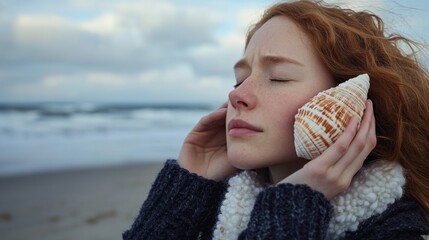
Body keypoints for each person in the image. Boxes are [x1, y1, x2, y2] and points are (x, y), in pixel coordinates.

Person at [123, 0, 429, 239]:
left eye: (278, 78)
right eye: (239, 79)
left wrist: (291, 205)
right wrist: (188, 188)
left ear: (352, 107)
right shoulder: (209, 209)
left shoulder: (398, 231)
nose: (238, 96)